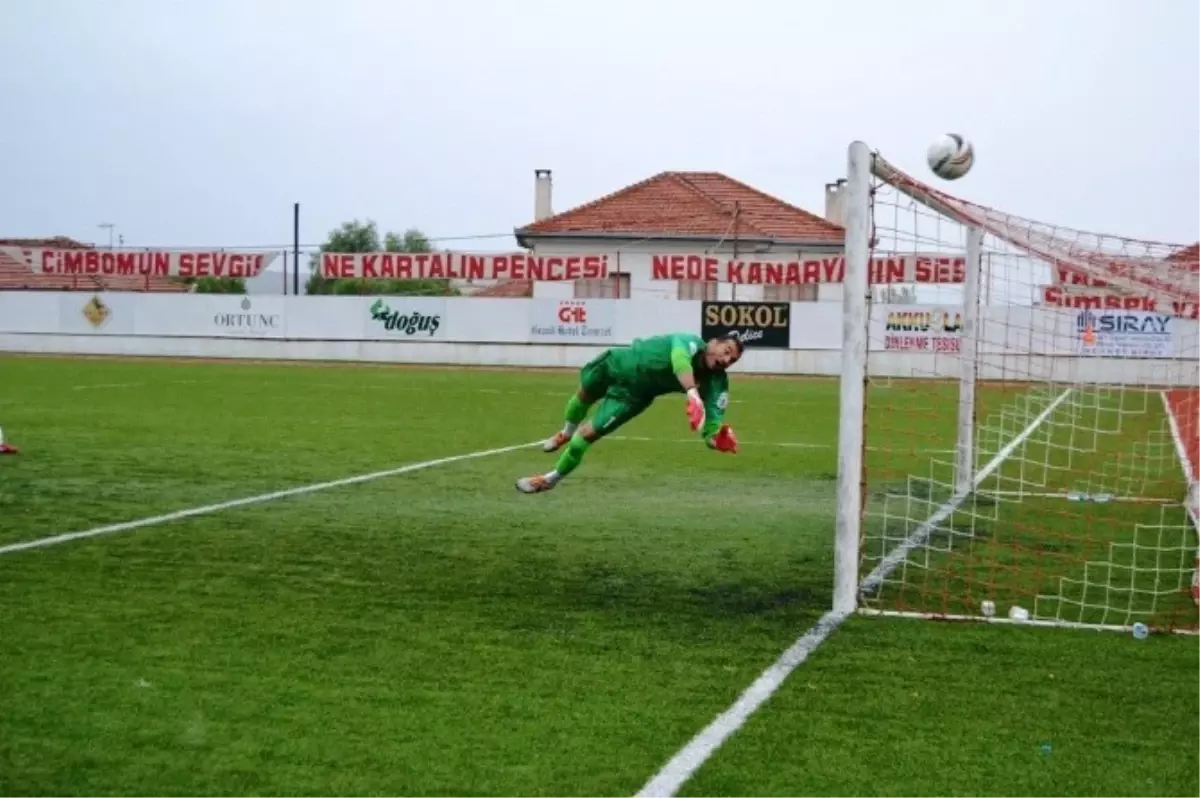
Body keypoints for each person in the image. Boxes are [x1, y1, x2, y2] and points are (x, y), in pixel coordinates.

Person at [515, 332, 743, 494]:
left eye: (731, 360)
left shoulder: (717, 384)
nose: (726, 360)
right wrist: (692, 392)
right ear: (713, 342)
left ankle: (549, 480)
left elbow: (713, 423)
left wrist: (716, 439)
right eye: (727, 351)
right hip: (616, 363)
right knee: (583, 396)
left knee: (582, 440)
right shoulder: (689, 341)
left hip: (632, 397)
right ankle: (564, 432)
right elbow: (679, 360)